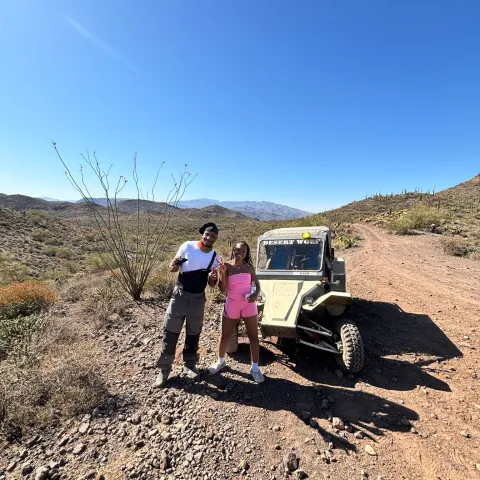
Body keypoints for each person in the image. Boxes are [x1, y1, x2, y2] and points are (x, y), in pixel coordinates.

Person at [155, 222, 221, 388]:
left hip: (198, 299)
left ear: (216, 239)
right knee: (170, 332)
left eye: (213, 236)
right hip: (180, 296)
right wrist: (175, 265)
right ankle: (164, 369)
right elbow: (172, 268)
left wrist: (213, 279)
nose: (209, 238)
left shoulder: (215, 257)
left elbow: (212, 284)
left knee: (193, 333)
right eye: (207, 234)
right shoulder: (188, 247)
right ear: (202, 233)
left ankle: (189, 365)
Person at [207, 241, 265, 383]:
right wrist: (221, 273)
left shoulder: (249, 267)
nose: (241, 253)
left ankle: (255, 368)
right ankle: (220, 362)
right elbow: (222, 289)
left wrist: (255, 294)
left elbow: (257, 284)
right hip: (232, 304)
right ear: (233, 250)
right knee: (225, 335)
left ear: (246, 253)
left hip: (249, 304)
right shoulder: (226, 266)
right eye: (238, 250)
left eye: (244, 251)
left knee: (253, 338)